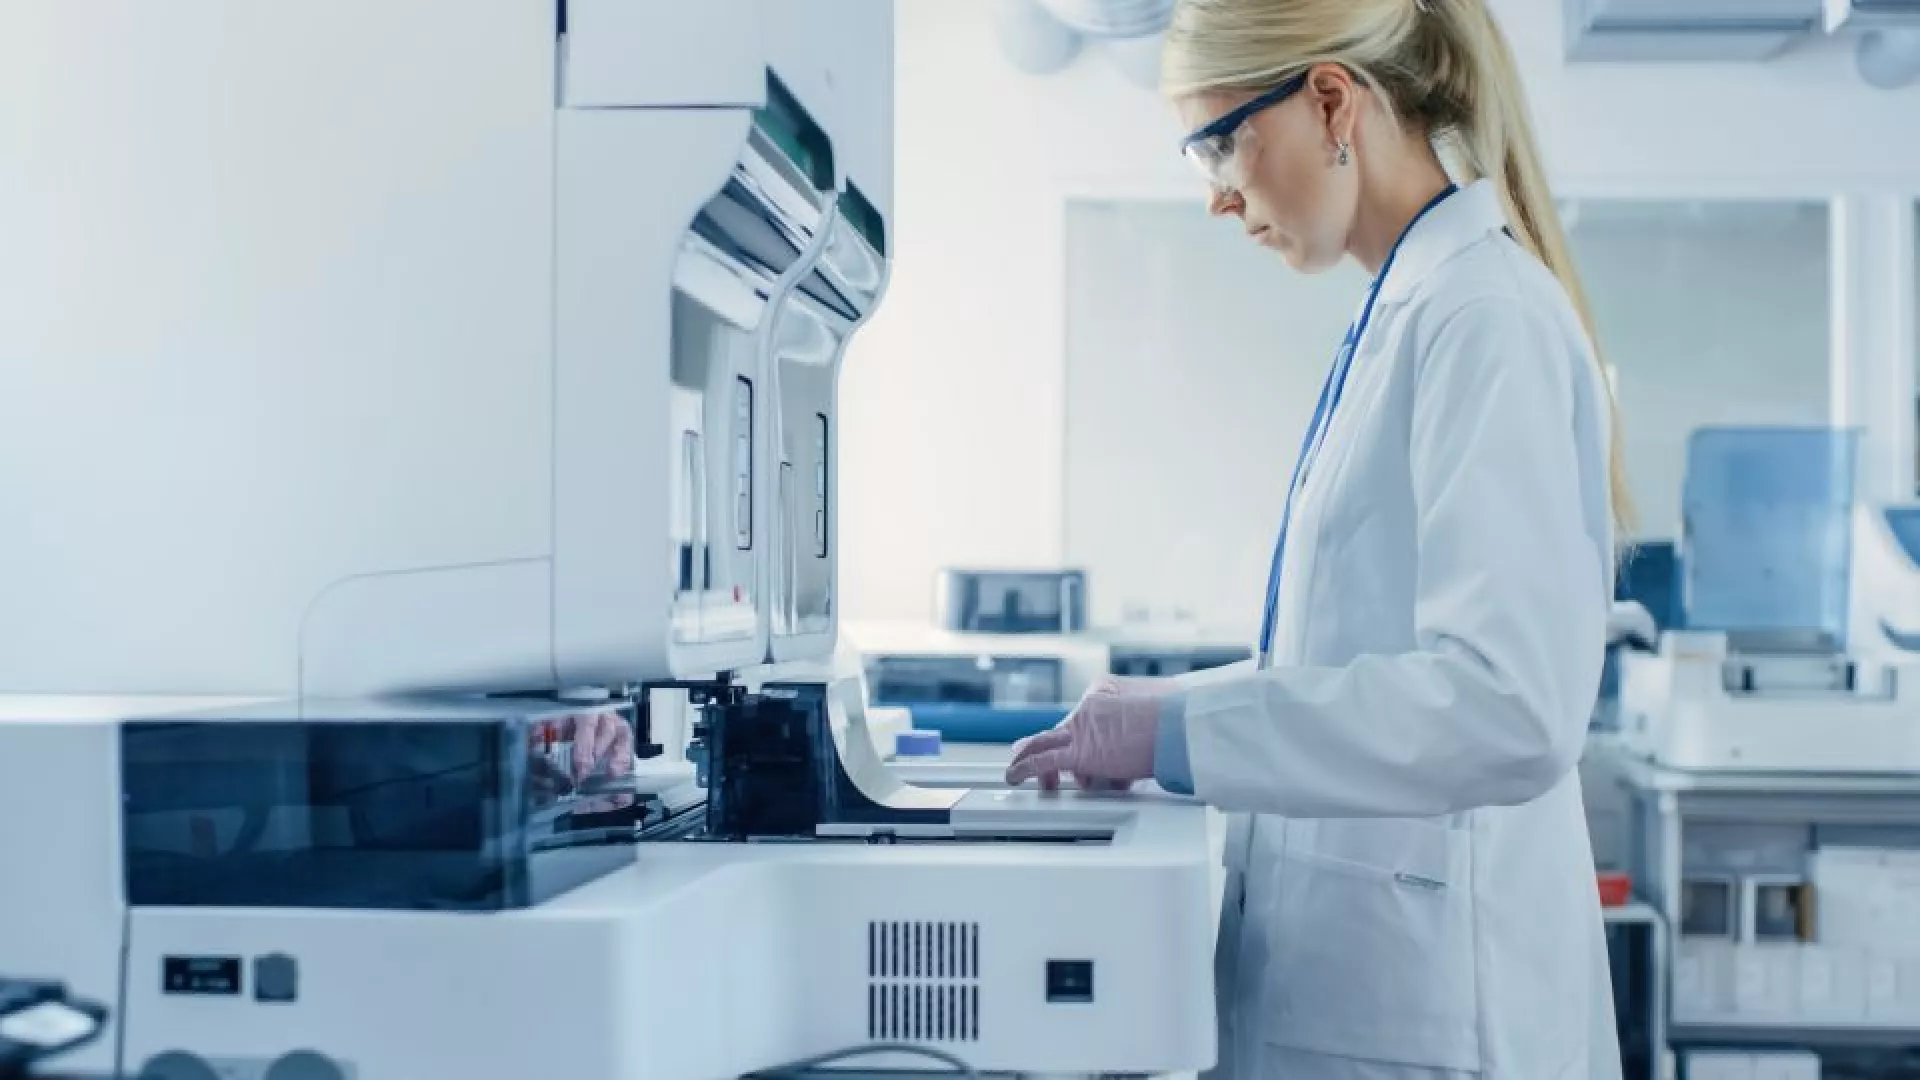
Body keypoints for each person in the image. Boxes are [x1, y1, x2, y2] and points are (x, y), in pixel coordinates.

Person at [1003, 1, 1629, 1077]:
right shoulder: (1406, 311)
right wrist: (1168, 716)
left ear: (1332, 100)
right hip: (1370, 992)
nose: (1218, 195)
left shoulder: (1483, 317)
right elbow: (1341, 671)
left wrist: (1181, 734)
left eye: (1224, 141)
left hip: (1437, 1016)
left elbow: (1509, 705)